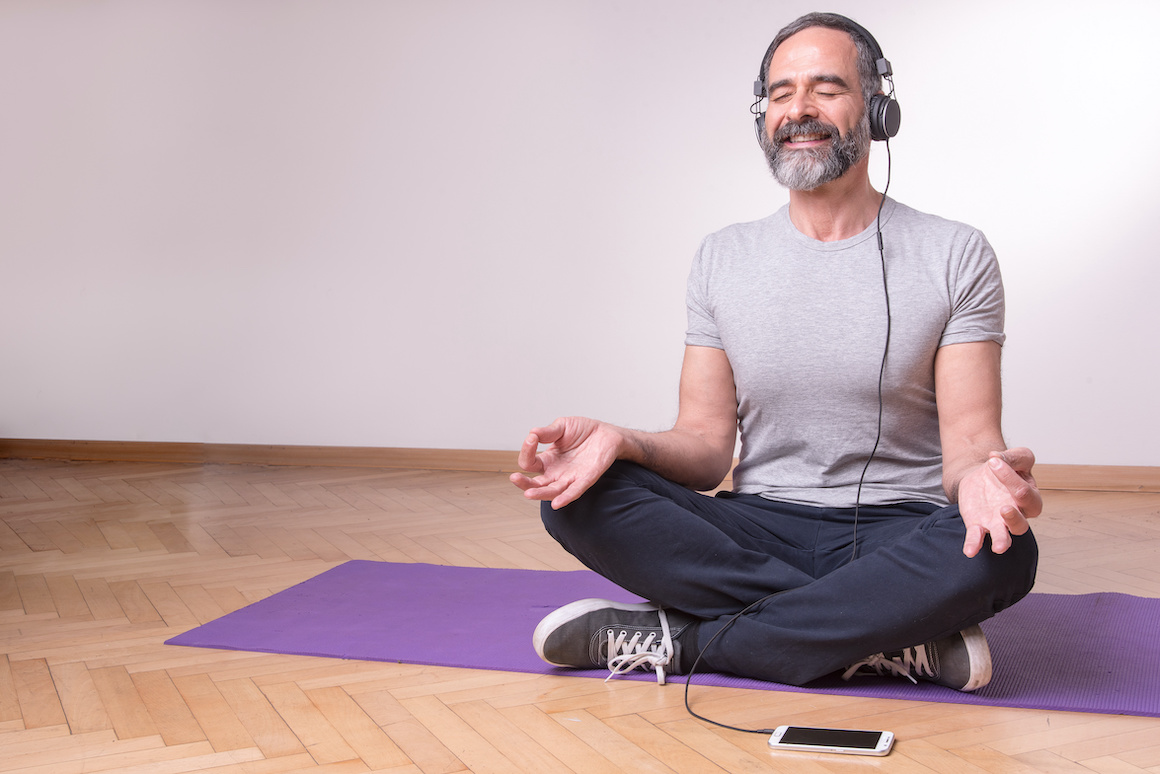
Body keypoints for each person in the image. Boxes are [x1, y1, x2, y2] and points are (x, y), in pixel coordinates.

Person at [510, 12, 1041, 691]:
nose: (800, 109)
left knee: (1005, 551)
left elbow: (969, 444)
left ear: (876, 107)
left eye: (827, 88)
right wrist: (623, 441)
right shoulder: (722, 257)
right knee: (576, 498)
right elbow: (704, 449)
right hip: (755, 527)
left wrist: (984, 482)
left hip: (897, 533)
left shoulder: (954, 253)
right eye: (782, 92)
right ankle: (885, 634)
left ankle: (684, 641)